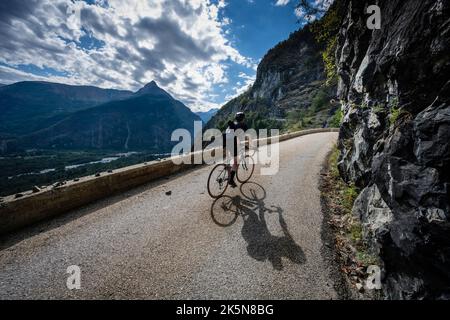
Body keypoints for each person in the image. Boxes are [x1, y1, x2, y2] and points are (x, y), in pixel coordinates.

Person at [223, 112, 248, 188]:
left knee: (229, 159)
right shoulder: (242, 125)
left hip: (223, 141)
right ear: (243, 118)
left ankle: (228, 169)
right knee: (236, 162)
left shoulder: (232, 124)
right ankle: (230, 180)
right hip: (231, 143)